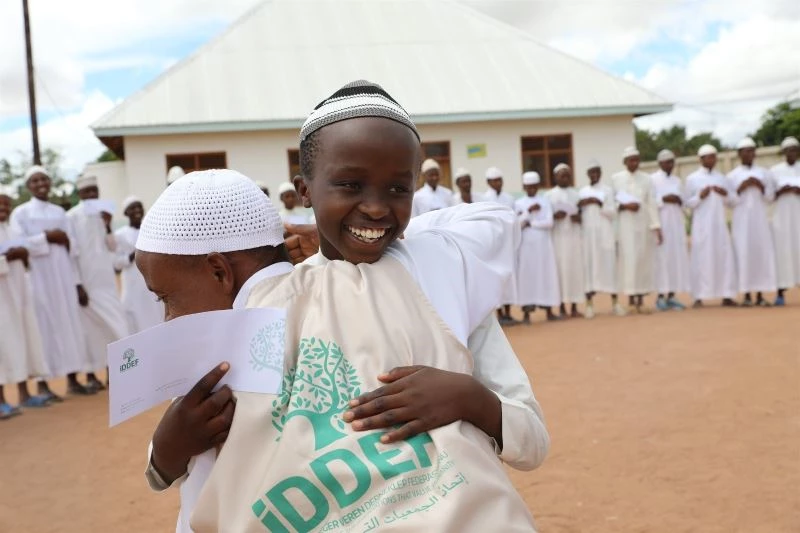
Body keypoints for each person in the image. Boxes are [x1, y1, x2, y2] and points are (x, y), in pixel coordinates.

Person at [140, 171, 537, 531]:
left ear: (219, 272)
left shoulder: (220, 349)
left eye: (165, 298)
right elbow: (486, 225)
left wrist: (338, 241)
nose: (167, 319)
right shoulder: (409, 282)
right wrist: (166, 450)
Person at [10, 166, 93, 399]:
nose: (40, 184)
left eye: (44, 179)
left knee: (69, 326)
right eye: (35, 181)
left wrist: (77, 283)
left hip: (64, 278)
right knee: (42, 328)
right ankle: (44, 385)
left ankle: (72, 379)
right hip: (38, 279)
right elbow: (19, 244)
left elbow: (73, 248)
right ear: (28, 186)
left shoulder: (61, 213)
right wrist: (47, 237)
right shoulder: (21, 213)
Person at [67, 175, 130, 390]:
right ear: (80, 194)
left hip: (107, 282)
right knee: (91, 331)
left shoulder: (103, 215)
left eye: (95, 190)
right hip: (86, 283)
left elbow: (113, 248)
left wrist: (108, 224)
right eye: (87, 192)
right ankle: (93, 375)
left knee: (116, 327)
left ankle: (115, 373)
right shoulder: (72, 217)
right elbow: (71, 254)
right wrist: (77, 284)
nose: (92, 195)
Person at [0, 191, 51, 418]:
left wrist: (22, 254)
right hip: (2, 302)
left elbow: (27, 259)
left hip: (19, 298)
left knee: (23, 343)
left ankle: (24, 393)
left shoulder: (12, 230)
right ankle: (1, 401)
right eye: (0, 203)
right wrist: (8, 258)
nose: (4, 207)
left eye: (7, 204)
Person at [684, 145, 738, 307]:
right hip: (701, 226)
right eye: (708, 157)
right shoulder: (692, 179)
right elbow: (687, 203)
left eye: (714, 157)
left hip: (719, 226)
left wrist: (725, 194)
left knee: (724, 258)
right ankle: (698, 296)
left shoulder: (722, 178)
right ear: (701, 159)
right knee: (700, 258)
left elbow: (734, 201)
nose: (712, 160)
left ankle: (727, 294)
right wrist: (700, 196)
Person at [611, 147, 662, 314]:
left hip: (642, 225)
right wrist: (624, 206)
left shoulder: (647, 179)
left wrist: (657, 227)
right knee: (628, 261)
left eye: (636, 159)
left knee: (642, 260)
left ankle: (641, 299)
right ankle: (630, 300)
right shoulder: (616, 179)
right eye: (631, 160)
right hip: (625, 226)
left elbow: (651, 203)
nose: (634, 163)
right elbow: (611, 203)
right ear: (624, 162)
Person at [726, 138, 776, 307]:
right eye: (746, 151)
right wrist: (741, 187)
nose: (750, 154)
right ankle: (746, 295)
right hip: (741, 223)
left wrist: (760, 186)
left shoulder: (764, 173)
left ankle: (760, 295)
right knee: (743, 254)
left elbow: (770, 197)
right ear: (739, 154)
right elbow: (729, 201)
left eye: (752, 150)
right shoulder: (732, 176)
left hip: (760, 221)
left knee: (760, 254)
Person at [579, 160, 623, 318]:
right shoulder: (583, 191)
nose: (594, 175)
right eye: (592, 172)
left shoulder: (608, 191)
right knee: (589, 269)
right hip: (589, 237)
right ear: (588, 174)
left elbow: (613, 212)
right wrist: (582, 203)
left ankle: (615, 303)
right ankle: (590, 305)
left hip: (605, 234)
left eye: (597, 172)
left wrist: (598, 203)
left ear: (601, 173)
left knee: (609, 267)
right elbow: (578, 213)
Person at [514, 171, 560, 323]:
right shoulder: (519, 203)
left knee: (545, 275)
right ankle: (527, 314)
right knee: (527, 277)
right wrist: (528, 212)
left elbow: (549, 223)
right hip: (526, 247)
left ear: (538, 186)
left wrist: (531, 223)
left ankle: (549, 311)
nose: (531, 189)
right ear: (524, 187)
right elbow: (517, 225)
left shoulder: (545, 201)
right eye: (528, 187)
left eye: (534, 186)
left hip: (543, 247)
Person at [113, 196, 164, 332]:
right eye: (133, 208)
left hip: (152, 280)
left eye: (139, 206)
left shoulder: (151, 229)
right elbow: (116, 264)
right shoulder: (120, 235)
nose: (137, 210)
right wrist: (133, 255)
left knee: (156, 313)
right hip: (132, 282)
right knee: (134, 316)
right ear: (126, 213)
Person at [651, 149, 690, 310]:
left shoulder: (677, 181)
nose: (670, 165)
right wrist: (665, 198)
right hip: (661, 224)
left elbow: (685, 201)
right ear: (660, 163)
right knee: (662, 260)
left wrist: (678, 199)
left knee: (675, 259)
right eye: (667, 162)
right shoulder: (652, 179)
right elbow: (651, 201)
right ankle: (660, 296)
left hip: (676, 224)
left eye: (672, 162)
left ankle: (672, 295)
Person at [545, 163, 584, 318]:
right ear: (556, 177)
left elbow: (582, 217)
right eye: (562, 175)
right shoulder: (549, 195)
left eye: (567, 175)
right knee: (560, 272)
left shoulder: (576, 194)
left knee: (574, 271)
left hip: (573, 238)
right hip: (558, 239)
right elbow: (546, 218)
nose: (565, 178)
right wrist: (555, 217)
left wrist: (577, 217)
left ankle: (574, 306)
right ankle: (561, 307)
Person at [481, 166, 518, 323]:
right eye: (494, 181)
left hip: (507, 243)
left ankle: (508, 312)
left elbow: (515, 218)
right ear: (488, 182)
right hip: (493, 244)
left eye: (499, 180)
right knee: (496, 277)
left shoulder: (509, 198)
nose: (497, 183)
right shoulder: (483, 199)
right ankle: (499, 313)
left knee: (509, 277)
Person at [771, 136, 800, 306]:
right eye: (789, 150)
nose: (792, 153)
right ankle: (780, 292)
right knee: (782, 251)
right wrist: (781, 191)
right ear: (783, 152)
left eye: (795, 149)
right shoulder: (775, 171)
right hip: (782, 218)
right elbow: (768, 196)